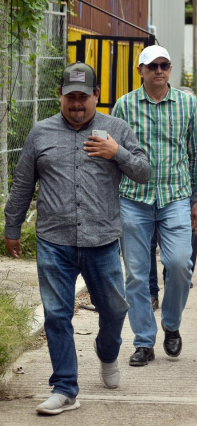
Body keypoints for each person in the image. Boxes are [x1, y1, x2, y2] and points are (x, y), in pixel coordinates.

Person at [4, 62, 150, 415]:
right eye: (71, 97)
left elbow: (144, 172)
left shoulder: (115, 129)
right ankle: (65, 388)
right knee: (57, 315)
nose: (77, 104)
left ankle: (107, 351)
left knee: (115, 309)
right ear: (61, 96)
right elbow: (23, 183)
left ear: (96, 96)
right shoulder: (40, 133)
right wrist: (12, 227)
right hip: (54, 241)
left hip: (101, 241)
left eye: (84, 97)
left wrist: (118, 153)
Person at [112, 45, 197, 367]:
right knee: (136, 276)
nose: (158, 71)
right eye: (152, 66)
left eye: (164, 65)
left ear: (170, 69)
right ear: (140, 70)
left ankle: (171, 323)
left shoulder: (187, 104)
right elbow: (114, 156)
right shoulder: (124, 105)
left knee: (180, 264)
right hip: (133, 198)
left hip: (175, 196)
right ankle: (143, 341)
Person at [149, 86, 197, 309]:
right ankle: (151, 291)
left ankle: (176, 278)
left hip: (186, 191)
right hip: (154, 190)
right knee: (151, 241)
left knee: (184, 243)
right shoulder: (160, 121)